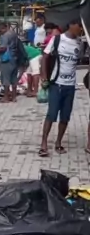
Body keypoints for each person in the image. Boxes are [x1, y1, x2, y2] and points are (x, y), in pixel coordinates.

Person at [39, 19, 83, 157]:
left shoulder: (80, 42)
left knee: (65, 116)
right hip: (56, 83)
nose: (81, 29)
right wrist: (44, 77)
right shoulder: (57, 39)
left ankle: (58, 142)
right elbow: (45, 57)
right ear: (71, 25)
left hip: (70, 85)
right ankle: (44, 143)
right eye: (79, 26)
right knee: (51, 114)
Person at [0, 23, 26, 103]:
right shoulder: (13, 34)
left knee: (6, 78)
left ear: (3, 29)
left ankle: (6, 97)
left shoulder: (5, 36)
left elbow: (3, 48)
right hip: (15, 58)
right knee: (14, 79)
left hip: (7, 59)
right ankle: (14, 97)